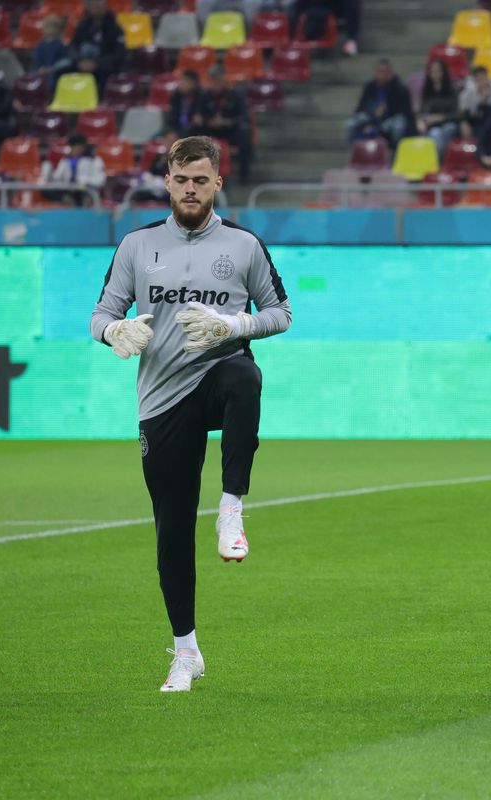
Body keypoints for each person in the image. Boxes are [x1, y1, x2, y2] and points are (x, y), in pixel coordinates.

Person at [90, 135, 291, 692]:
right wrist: (114, 331)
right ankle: (186, 652)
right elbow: (102, 312)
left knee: (244, 377)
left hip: (216, 373)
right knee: (172, 529)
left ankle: (232, 505)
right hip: (162, 397)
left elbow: (281, 312)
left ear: (218, 183)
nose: (190, 190)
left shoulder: (245, 245)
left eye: (201, 180)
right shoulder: (137, 244)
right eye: (181, 181)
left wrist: (235, 326)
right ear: (168, 182)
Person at [346, 59, 414, 150]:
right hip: (371, 119)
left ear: (390, 73)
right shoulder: (370, 87)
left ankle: (396, 154)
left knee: (398, 125)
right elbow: (361, 108)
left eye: (385, 72)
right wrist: (366, 124)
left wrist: (383, 126)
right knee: (350, 124)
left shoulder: (400, 88)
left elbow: (404, 112)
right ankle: (356, 154)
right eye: (380, 71)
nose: (382, 75)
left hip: (390, 120)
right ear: (375, 72)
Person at [199, 65, 252, 180]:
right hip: (210, 129)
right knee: (193, 131)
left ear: (224, 80)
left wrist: (226, 122)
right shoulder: (204, 95)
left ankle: (244, 175)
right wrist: (208, 121)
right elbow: (199, 115)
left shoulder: (236, 94)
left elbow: (243, 117)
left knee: (244, 131)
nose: (215, 84)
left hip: (230, 130)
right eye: (212, 81)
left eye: (218, 80)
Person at [61, 0, 126, 90]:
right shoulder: (83, 25)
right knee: (62, 68)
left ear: (105, 7)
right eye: (93, 5)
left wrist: (96, 63)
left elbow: (119, 54)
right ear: (88, 8)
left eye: (99, 4)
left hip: (105, 65)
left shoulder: (115, 28)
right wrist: (79, 61)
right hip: (82, 62)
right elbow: (73, 46)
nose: (97, 7)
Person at [39, 133, 105, 206]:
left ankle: (84, 206)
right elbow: (57, 179)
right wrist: (49, 173)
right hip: (68, 189)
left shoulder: (94, 161)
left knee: (85, 193)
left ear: (83, 147)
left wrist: (83, 181)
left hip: (84, 188)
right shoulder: (65, 160)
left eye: (76, 146)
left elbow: (100, 180)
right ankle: (67, 200)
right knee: (45, 191)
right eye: (72, 147)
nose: (73, 149)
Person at [288, 0, 360, 56]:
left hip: (335, 4)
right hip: (314, 4)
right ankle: (292, 41)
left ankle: (351, 41)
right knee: (294, 6)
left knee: (352, 2)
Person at [418, 58, 459, 155]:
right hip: (432, 125)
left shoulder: (452, 90)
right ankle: (439, 162)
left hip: (449, 123)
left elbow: (456, 113)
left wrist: (441, 117)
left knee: (448, 130)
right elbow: (422, 110)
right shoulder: (427, 90)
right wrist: (420, 120)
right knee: (435, 134)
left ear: (443, 72)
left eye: (438, 71)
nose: (435, 74)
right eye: (433, 71)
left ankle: (443, 160)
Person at [458, 66, 491, 139]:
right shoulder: (468, 93)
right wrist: (464, 123)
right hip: (475, 124)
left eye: (484, 78)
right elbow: (464, 113)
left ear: (488, 77)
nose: (482, 82)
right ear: (474, 80)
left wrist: (483, 101)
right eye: (479, 79)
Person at [166, 70, 205, 138]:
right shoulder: (176, 96)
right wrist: (171, 132)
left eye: (184, 82)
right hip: (177, 130)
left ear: (193, 84)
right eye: (180, 81)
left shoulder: (201, 97)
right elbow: (171, 119)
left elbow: (199, 122)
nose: (180, 84)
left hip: (194, 134)